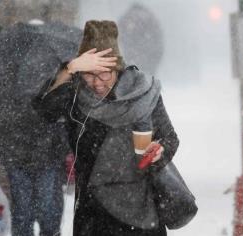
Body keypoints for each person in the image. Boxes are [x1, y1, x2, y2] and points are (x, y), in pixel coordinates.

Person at [33, 20, 179, 236]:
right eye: (89, 74)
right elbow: (45, 110)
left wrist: (159, 151)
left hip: (141, 211)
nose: (97, 82)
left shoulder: (141, 92)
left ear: (118, 70)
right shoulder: (75, 96)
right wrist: (70, 68)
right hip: (93, 214)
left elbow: (169, 138)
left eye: (105, 74)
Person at [0, 24, 70, 236]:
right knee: (31, 211)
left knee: (39, 210)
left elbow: (61, 115)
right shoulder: (7, 82)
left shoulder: (48, 77)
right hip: (24, 153)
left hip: (38, 153)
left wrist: (62, 145)